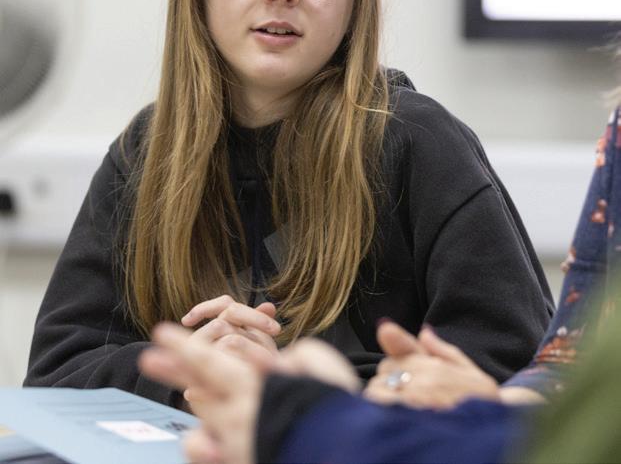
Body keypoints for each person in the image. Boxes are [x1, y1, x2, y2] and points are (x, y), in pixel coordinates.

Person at [24, 0, 553, 408]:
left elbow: (517, 373)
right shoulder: (147, 150)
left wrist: (292, 393)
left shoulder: (419, 142)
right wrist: (190, 372)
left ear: (357, 1)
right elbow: (57, 374)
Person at [138, 106, 621, 463]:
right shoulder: (146, 142)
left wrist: (326, 415)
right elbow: (564, 369)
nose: (281, 0)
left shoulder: (422, 139)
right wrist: (485, 408)